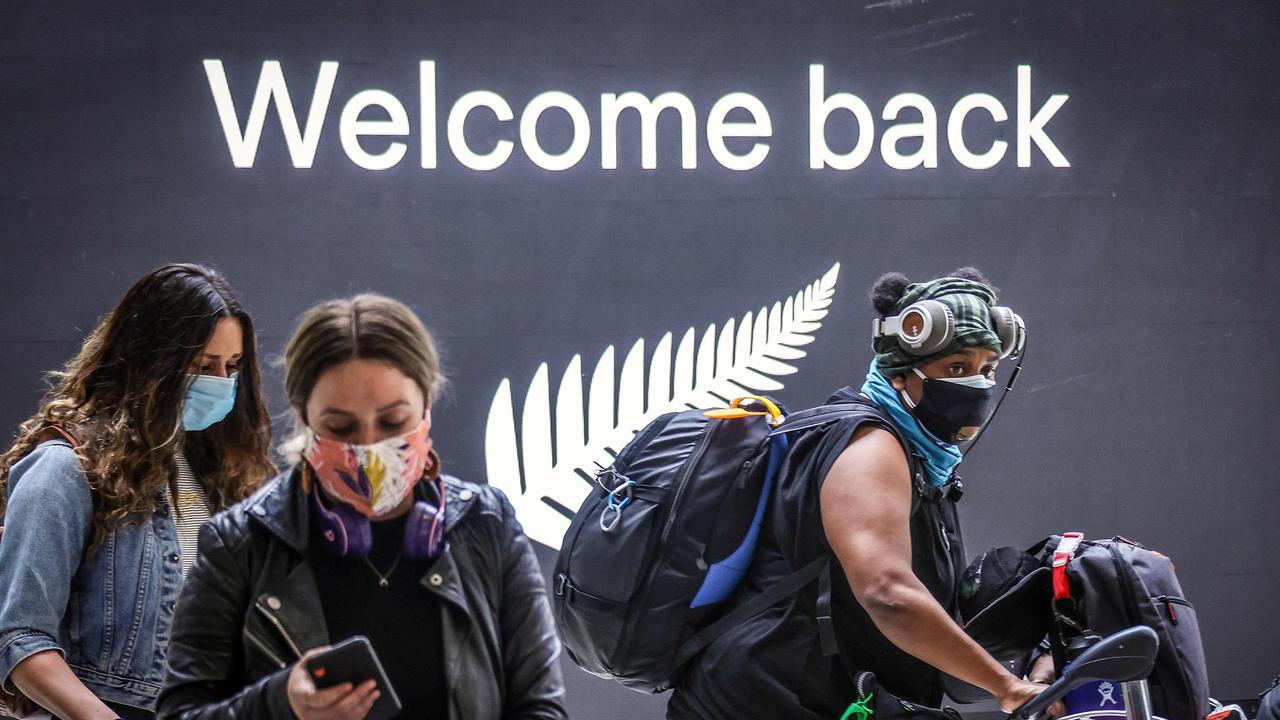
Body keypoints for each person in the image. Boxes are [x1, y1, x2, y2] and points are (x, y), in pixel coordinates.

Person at [668, 268, 1057, 719]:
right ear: (901, 374)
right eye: (956, 367)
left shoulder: (921, 458)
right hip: (761, 700)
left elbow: (921, 601)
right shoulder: (872, 445)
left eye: (987, 368)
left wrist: (1029, 661)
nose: (978, 383)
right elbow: (886, 592)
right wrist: (1006, 688)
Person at [157, 293, 567, 720]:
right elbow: (179, 713)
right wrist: (279, 704)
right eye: (340, 426)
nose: (369, 445)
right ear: (304, 418)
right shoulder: (239, 543)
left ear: (427, 407)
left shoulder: (487, 524)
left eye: (393, 422)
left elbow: (540, 707)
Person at [0, 264, 274, 719]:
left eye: (233, 366)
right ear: (150, 361)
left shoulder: (216, 472)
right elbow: (18, 639)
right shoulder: (65, 469)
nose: (222, 382)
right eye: (203, 366)